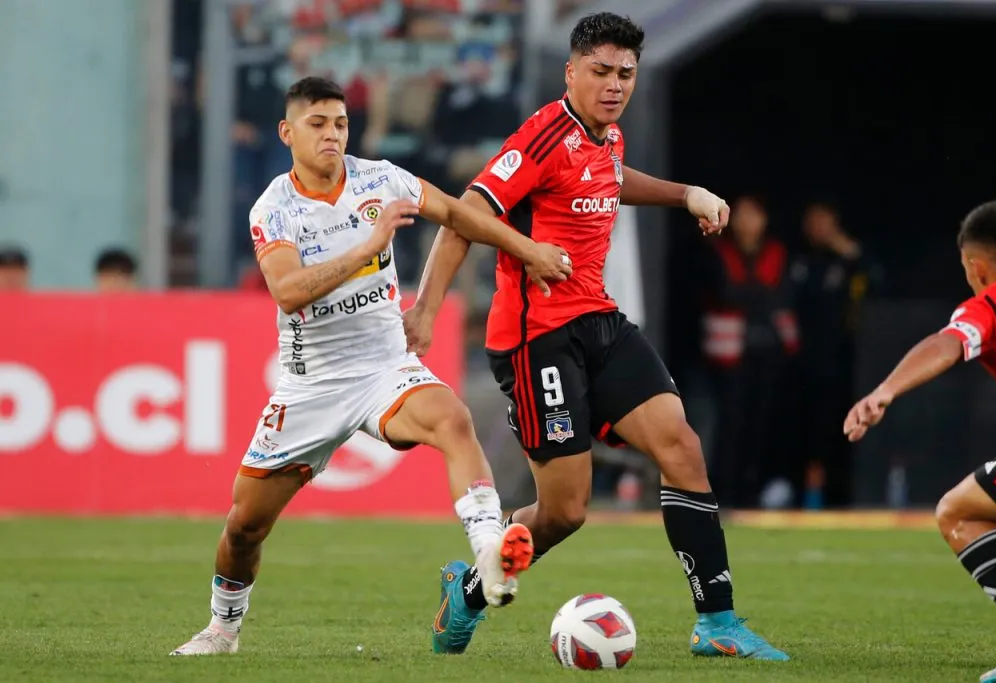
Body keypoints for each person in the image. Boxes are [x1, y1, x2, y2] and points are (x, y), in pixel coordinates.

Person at [405, 13, 789, 660]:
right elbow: (464, 213)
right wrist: (427, 308)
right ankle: (468, 589)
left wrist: (687, 193)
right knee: (564, 512)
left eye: (626, 74)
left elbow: (609, 181)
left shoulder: (604, 136)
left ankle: (717, 623)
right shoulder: (541, 135)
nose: (615, 85)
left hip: (600, 323)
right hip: (536, 342)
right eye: (602, 72)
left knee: (682, 446)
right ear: (572, 71)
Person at [171, 76, 573, 656]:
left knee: (451, 418)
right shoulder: (274, 208)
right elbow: (286, 292)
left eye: (340, 123)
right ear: (287, 133)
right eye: (317, 124)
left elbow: (459, 215)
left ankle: (488, 552)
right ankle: (222, 629)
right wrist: (366, 247)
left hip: (385, 366)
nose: (332, 135)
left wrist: (526, 250)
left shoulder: (381, 179)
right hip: (313, 382)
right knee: (244, 526)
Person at [844, 199, 996, 683]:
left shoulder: (992, 302)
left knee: (960, 512)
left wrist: (884, 391)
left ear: (976, 266)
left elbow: (947, 343)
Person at [701, 195, 797, 508]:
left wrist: (750, 295)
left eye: (754, 215)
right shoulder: (719, 252)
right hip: (729, 355)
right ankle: (724, 491)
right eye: (741, 215)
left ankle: (755, 489)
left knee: (763, 422)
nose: (747, 222)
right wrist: (754, 295)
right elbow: (725, 292)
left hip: (768, 351)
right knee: (731, 421)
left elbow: (778, 296)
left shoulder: (776, 254)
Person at [792, 202, 881, 508]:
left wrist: (845, 247)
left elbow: (877, 279)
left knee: (835, 430)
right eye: (812, 220)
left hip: (838, 365)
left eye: (824, 220)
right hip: (795, 363)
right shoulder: (798, 259)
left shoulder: (846, 261)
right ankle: (797, 493)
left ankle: (830, 496)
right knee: (799, 431)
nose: (818, 227)